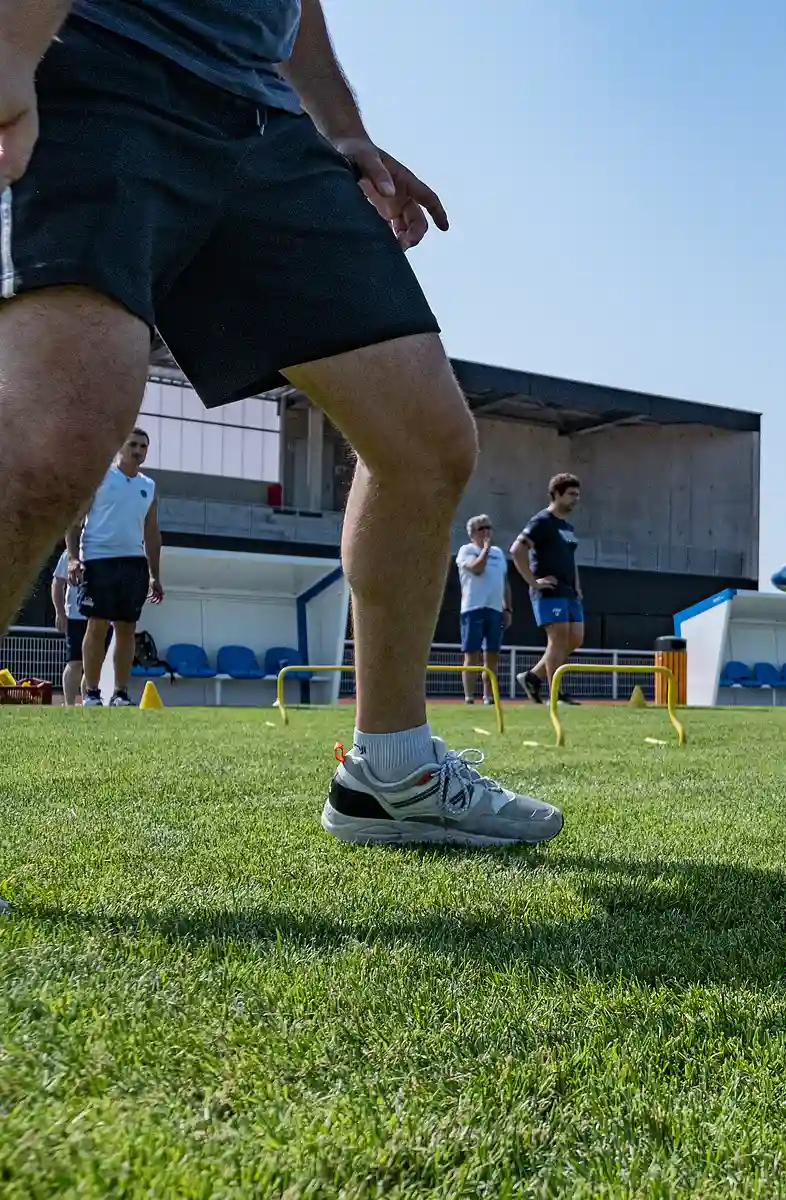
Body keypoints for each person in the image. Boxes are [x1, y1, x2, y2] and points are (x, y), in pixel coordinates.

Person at [0, 0, 560, 843]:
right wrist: (11, 42)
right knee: (60, 432)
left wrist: (341, 127)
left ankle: (392, 771)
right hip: (98, 58)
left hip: (263, 119)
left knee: (427, 441)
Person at [66, 427, 161, 705]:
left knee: (127, 628)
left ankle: (120, 693)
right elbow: (74, 521)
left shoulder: (149, 486)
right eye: (133, 444)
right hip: (99, 560)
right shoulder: (100, 478)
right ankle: (92, 693)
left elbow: (152, 532)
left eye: (143, 446)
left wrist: (155, 575)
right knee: (96, 625)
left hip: (134, 564)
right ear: (120, 446)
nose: (138, 450)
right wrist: (73, 558)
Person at [510, 474, 584, 706]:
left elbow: (571, 559)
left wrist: (577, 586)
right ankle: (556, 693)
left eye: (577, 495)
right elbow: (516, 550)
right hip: (550, 591)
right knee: (558, 639)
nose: (576, 499)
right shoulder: (542, 521)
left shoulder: (567, 527)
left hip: (569, 591)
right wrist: (533, 582)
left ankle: (533, 677)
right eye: (571, 494)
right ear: (557, 494)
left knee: (575, 639)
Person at [454, 513, 510, 705]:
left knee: (492, 655)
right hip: (473, 608)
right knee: (472, 654)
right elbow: (476, 569)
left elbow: (504, 582)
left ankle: (489, 696)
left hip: (494, 610)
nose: (487, 532)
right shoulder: (466, 550)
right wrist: (485, 549)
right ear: (472, 533)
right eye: (482, 528)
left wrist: (507, 608)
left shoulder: (499, 553)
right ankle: (469, 696)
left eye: (489, 528)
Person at [50, 544, 84, 705]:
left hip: (102, 616)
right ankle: (69, 705)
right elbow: (57, 584)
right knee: (75, 661)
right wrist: (60, 612)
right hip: (76, 616)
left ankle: (89, 703)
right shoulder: (70, 554)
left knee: (93, 664)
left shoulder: (107, 548)